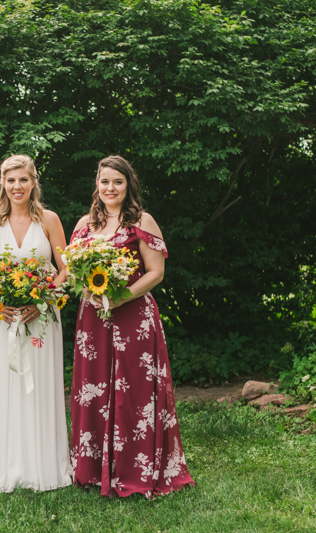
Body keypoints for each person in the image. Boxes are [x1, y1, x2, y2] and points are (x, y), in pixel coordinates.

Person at [69, 155, 195, 498]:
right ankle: (94, 470)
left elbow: (156, 272)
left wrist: (120, 297)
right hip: (93, 319)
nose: (110, 188)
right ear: (97, 184)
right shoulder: (84, 224)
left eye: (118, 182)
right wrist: (89, 294)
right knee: (94, 387)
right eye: (105, 181)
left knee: (134, 393)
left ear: (129, 185)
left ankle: (135, 470)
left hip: (132, 316)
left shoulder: (142, 221)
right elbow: (75, 270)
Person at [0, 154, 72, 492]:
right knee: (9, 385)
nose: (17, 186)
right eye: (10, 180)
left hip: (42, 316)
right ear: (2, 183)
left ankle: (44, 463)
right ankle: (8, 462)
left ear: (33, 182)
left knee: (41, 386)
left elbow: (65, 269)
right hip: (5, 318)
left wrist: (41, 298)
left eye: (23, 180)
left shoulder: (49, 219)